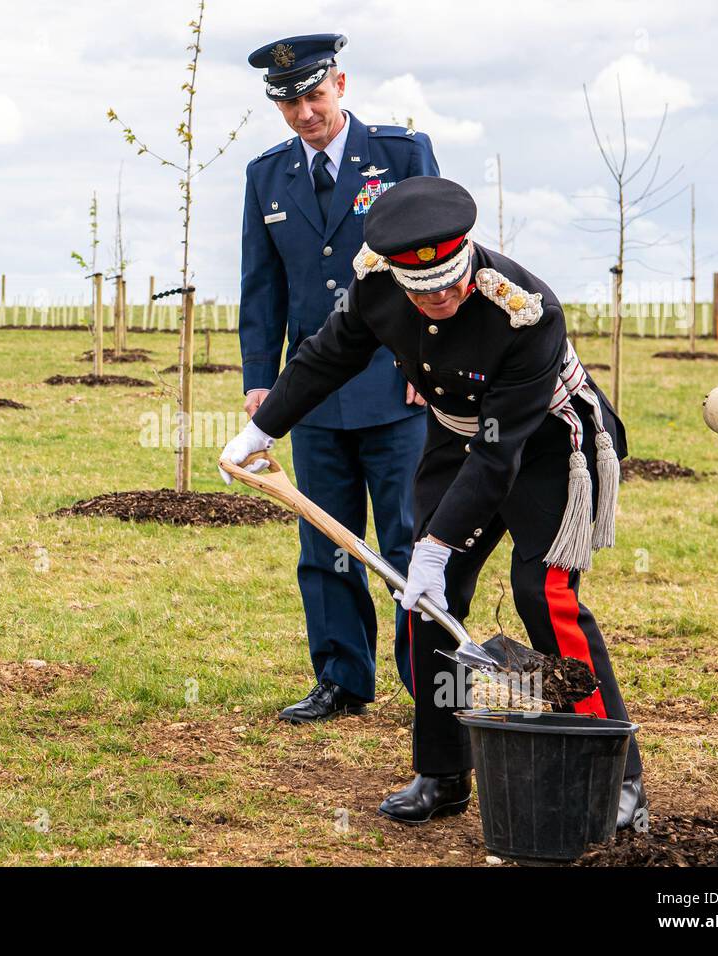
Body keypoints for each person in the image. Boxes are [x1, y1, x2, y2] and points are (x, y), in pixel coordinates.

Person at [221, 176, 646, 829]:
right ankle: (443, 773)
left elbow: (499, 457)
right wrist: (260, 429)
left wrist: (433, 545)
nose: (440, 298)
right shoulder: (376, 287)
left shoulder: (526, 311)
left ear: (468, 258)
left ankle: (618, 779)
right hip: (455, 438)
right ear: (397, 276)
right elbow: (327, 357)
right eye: (424, 291)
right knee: (428, 601)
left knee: (543, 596)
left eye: (451, 284)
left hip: (548, 449)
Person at [235, 33, 437, 724]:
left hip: (396, 384)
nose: (303, 113)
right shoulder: (266, 177)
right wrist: (262, 379)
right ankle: (341, 679)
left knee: (410, 537)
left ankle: (430, 683)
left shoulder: (402, 155)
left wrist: (427, 363)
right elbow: (261, 286)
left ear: (341, 85)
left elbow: (435, 262)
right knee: (326, 541)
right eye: (288, 103)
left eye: (313, 96)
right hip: (312, 393)